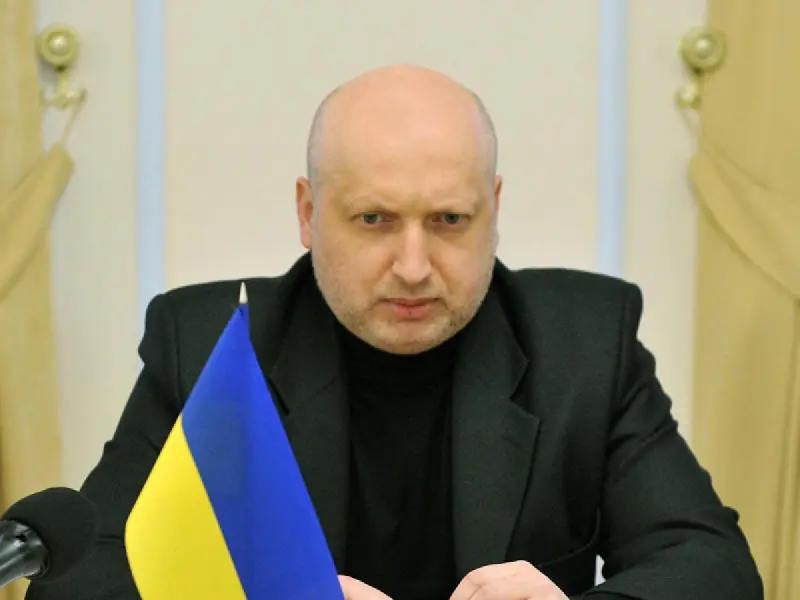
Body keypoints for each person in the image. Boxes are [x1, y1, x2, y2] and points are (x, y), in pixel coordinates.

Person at [27, 64, 762, 600]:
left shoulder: (586, 343)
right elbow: (77, 577)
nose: (413, 267)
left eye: (449, 220)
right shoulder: (212, 345)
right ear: (308, 214)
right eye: (374, 219)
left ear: (494, 210)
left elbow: (712, 565)